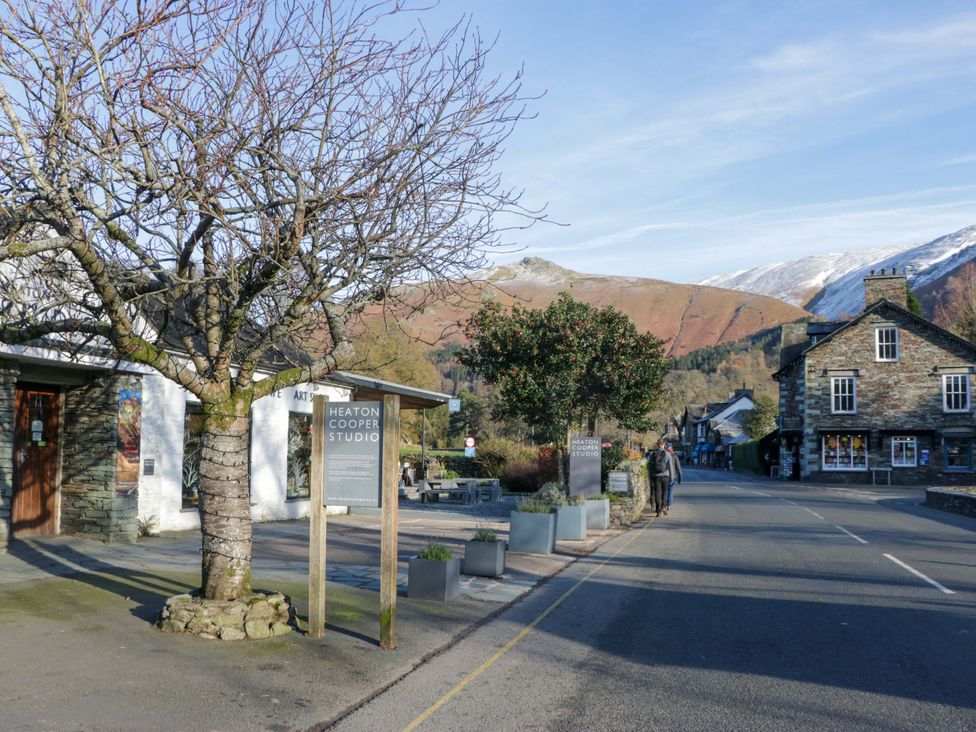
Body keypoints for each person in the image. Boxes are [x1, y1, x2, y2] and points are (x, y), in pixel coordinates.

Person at [649, 438, 671, 517]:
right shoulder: (667, 454)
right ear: (663, 444)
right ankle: (664, 507)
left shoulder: (653, 454)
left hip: (656, 476)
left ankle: (658, 511)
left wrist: (650, 477)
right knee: (665, 492)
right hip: (665, 476)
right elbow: (670, 466)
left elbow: (650, 466)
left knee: (657, 493)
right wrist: (671, 478)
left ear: (657, 445)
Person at [665, 444, 683, 514]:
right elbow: (678, 468)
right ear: (672, 449)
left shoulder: (664, 455)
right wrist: (680, 478)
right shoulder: (674, 456)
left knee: (665, 491)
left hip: (664, 476)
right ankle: (668, 505)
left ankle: (664, 505)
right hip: (672, 476)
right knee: (670, 491)